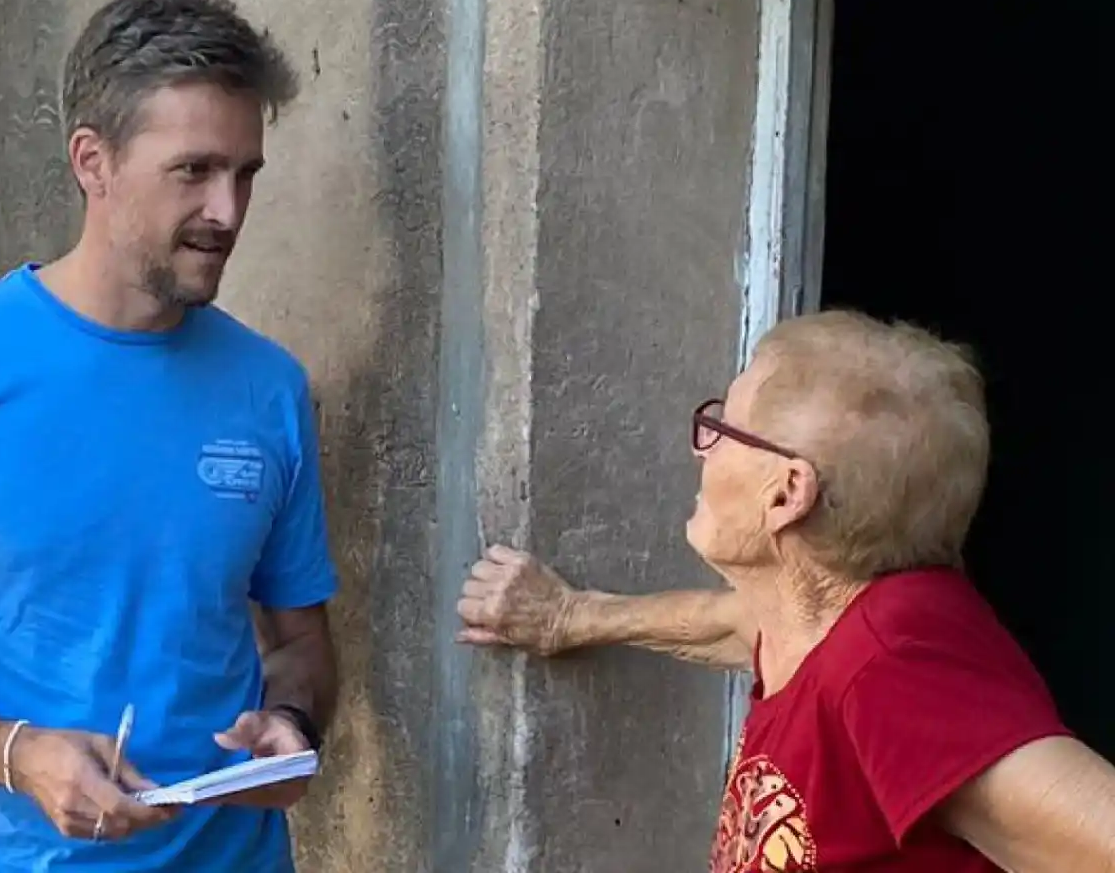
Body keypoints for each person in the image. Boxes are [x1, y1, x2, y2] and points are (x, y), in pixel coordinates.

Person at [0, 0, 338, 872]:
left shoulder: (268, 388)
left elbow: (302, 642)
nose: (228, 211)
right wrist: (15, 753)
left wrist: (290, 720)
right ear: (92, 161)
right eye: (194, 170)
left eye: (246, 173)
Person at [457, 310, 1115, 872]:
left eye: (723, 429)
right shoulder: (828, 620)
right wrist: (569, 616)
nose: (702, 449)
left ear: (786, 493)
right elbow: (736, 623)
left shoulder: (895, 671)